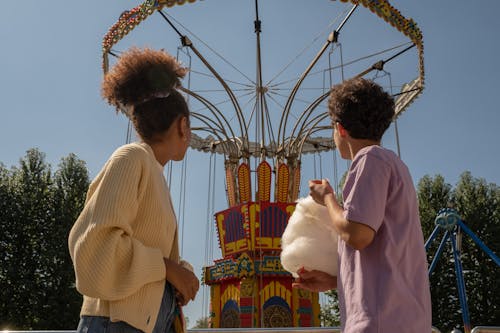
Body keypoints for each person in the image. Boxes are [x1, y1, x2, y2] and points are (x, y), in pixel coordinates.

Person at [68, 47, 199, 333]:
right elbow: (96, 252)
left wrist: (179, 275)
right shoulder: (131, 158)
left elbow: (146, 257)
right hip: (114, 323)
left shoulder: (153, 172)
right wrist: (167, 268)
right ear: (182, 125)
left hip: (142, 323)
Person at [293, 77, 432, 332]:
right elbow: (384, 256)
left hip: (379, 322)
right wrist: (336, 281)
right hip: (401, 318)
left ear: (340, 129)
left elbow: (357, 235)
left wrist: (327, 198)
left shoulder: (370, 159)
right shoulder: (394, 165)